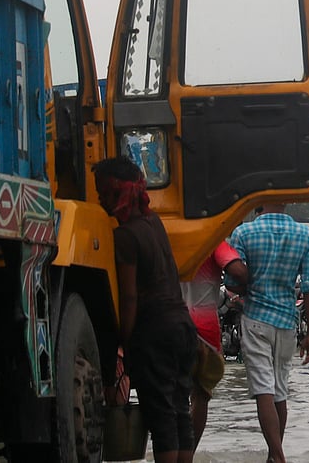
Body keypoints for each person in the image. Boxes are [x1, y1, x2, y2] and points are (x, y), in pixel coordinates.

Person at [94, 156, 197, 463]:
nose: (100, 200)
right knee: (180, 409)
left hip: (155, 331)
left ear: (120, 193)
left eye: (104, 193)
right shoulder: (155, 224)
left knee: (161, 416)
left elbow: (130, 298)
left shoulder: (125, 236)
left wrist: (123, 343)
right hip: (182, 326)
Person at [228, 204, 309, 463]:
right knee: (280, 389)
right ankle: (273, 455)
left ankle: (277, 456)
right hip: (287, 320)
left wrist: (250, 284)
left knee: (263, 389)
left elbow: (233, 280)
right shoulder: (306, 235)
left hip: (256, 318)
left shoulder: (244, 233)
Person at [182, 241, 249, 452]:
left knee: (171, 397)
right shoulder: (212, 240)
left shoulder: (166, 235)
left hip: (169, 323)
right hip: (204, 330)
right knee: (201, 396)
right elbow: (237, 271)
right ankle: (189, 454)